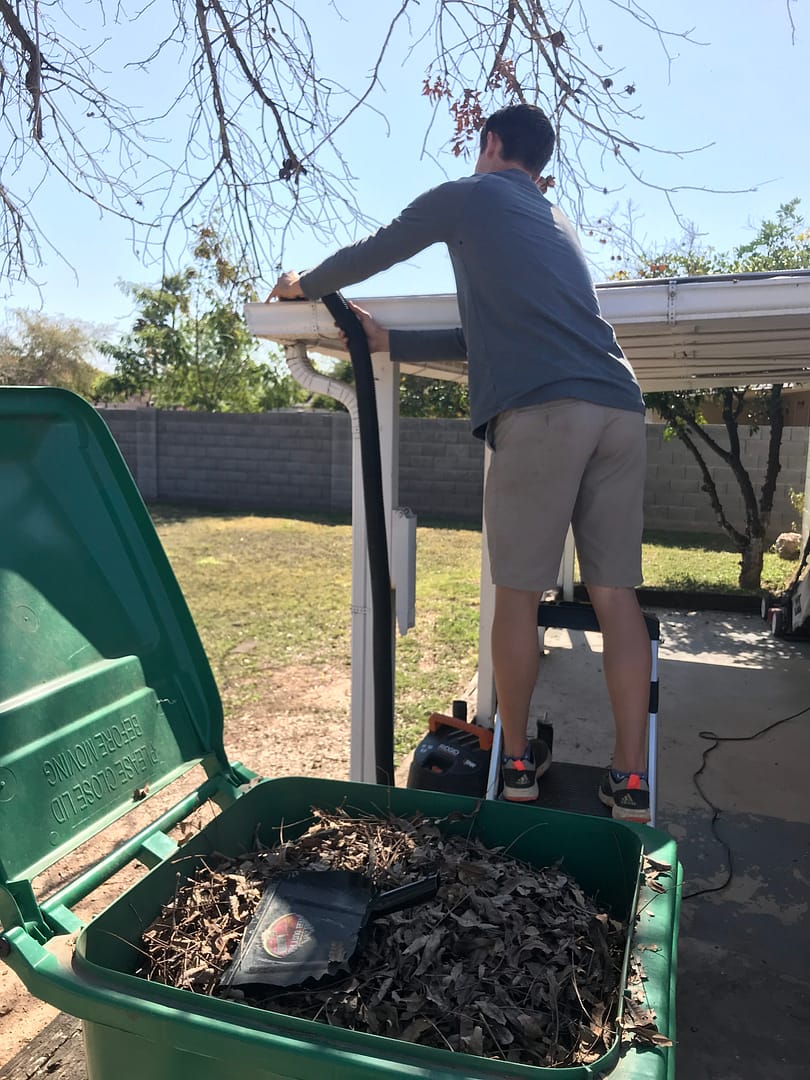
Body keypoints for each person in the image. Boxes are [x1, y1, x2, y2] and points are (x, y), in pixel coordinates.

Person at [269, 104, 652, 823]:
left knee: (516, 595)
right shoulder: (555, 222)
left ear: (492, 144)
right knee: (616, 597)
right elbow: (493, 334)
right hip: (620, 407)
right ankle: (630, 781)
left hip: (544, 413)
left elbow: (378, 248)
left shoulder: (473, 194)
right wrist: (396, 342)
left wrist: (304, 284)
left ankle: (514, 765)